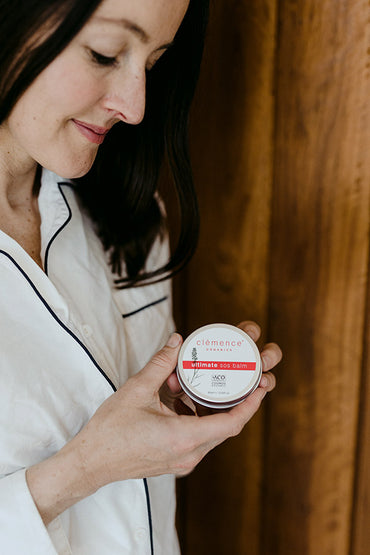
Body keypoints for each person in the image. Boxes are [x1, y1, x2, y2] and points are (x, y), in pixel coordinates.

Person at [0, 0, 282, 553]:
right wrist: (82, 470)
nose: (134, 107)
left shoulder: (128, 213)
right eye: (104, 54)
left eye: (152, 64)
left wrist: (173, 418)